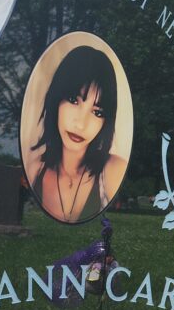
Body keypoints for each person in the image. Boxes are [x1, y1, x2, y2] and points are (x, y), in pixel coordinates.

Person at [28, 45, 126, 223]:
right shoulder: (34, 170)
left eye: (97, 112)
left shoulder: (113, 170)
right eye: (74, 100)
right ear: (56, 100)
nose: (81, 124)